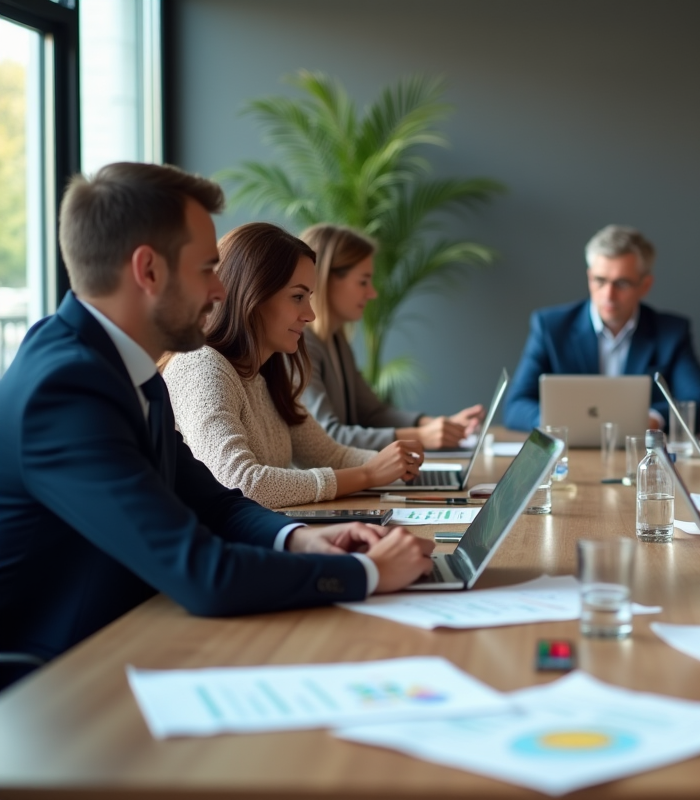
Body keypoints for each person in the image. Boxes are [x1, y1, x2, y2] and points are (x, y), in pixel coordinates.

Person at [0, 163, 433, 687]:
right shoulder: (66, 389)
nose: (221, 291)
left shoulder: (124, 367)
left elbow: (215, 500)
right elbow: (200, 571)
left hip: (137, 641)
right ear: (149, 270)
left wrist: (302, 540)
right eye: (208, 268)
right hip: (63, 682)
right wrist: (367, 573)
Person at [162, 222, 425, 509]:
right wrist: (368, 474)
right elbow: (241, 483)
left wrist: (392, 464)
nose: (310, 315)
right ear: (253, 294)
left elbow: (329, 456)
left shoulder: (267, 372)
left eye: (308, 298)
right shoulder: (201, 367)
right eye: (298, 297)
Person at [503, 224, 700, 431]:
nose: (608, 295)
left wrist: (651, 419)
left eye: (622, 283)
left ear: (645, 285)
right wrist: (555, 421)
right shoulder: (551, 327)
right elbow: (516, 406)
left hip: (637, 457)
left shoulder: (670, 332)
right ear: (589, 277)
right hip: (570, 456)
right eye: (600, 280)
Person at [298, 223, 484, 450]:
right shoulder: (302, 345)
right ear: (326, 279)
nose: (372, 293)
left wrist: (436, 425)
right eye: (363, 281)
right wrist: (421, 436)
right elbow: (327, 437)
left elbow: (373, 412)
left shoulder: (336, 341)